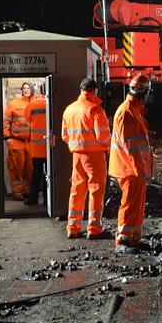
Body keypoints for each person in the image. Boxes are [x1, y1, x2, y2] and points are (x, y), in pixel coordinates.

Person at [62, 78, 111, 238]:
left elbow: (65, 136)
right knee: (96, 190)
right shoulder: (95, 110)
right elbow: (103, 137)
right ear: (94, 91)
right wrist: (111, 147)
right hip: (94, 156)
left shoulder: (69, 110)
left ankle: (73, 227)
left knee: (76, 190)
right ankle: (94, 228)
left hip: (77, 155)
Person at [109, 74, 153, 253]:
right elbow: (130, 146)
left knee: (136, 204)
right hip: (129, 168)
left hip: (135, 168)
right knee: (128, 204)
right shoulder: (126, 111)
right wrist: (140, 169)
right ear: (144, 92)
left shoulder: (135, 110)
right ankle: (122, 239)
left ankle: (134, 237)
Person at [3, 82, 34, 200]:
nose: (26, 90)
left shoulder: (36, 104)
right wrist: (7, 138)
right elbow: (6, 121)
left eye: (28, 88)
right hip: (16, 141)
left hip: (31, 142)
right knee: (16, 168)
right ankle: (17, 192)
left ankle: (26, 189)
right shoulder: (14, 104)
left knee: (29, 168)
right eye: (24, 88)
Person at [23, 86, 48, 206]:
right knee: (48, 174)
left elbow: (27, 119)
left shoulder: (31, 106)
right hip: (49, 147)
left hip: (36, 148)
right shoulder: (50, 104)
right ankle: (47, 199)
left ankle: (33, 198)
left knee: (36, 173)